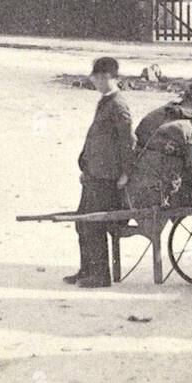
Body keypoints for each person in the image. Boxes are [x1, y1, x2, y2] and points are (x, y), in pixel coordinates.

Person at [64, 55, 135, 289]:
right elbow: (96, 139)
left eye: (95, 77)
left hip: (107, 177)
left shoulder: (118, 105)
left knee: (94, 223)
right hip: (94, 174)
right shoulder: (105, 101)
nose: (92, 80)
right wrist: (85, 166)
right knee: (81, 222)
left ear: (106, 77)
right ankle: (87, 270)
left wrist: (126, 173)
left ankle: (100, 275)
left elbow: (127, 142)